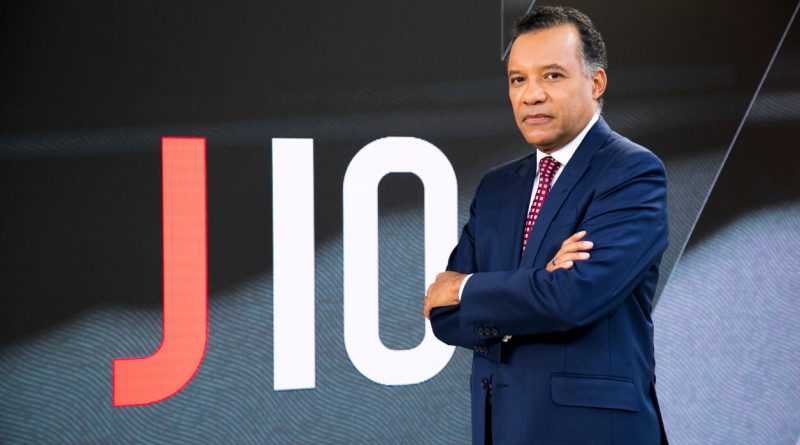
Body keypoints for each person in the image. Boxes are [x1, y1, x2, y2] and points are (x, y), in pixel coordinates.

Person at [423, 6, 669, 444]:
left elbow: (571, 298)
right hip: (500, 429)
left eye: (552, 76)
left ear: (596, 83)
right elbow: (444, 316)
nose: (531, 95)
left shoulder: (631, 172)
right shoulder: (496, 187)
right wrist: (541, 281)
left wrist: (468, 288)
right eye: (518, 79)